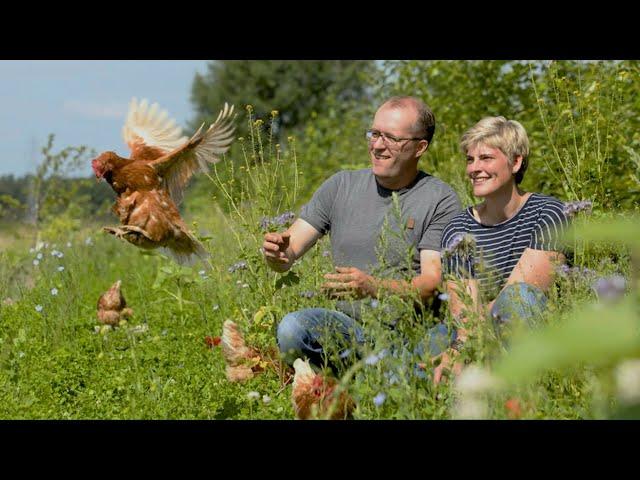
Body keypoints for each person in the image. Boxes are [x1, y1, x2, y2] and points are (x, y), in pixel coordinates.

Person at [262, 96, 462, 376]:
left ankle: (385, 377)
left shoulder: (439, 198)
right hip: (350, 331)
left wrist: (374, 287)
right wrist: (276, 254)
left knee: (439, 351)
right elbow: (288, 252)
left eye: (391, 138)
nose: (378, 145)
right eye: (375, 134)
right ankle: (379, 376)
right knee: (292, 329)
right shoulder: (341, 185)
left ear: (420, 147)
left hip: (414, 334)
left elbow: (431, 284)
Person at [436, 116, 569, 384]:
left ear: (516, 162)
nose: (474, 168)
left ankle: (520, 394)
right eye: (470, 160)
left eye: (485, 158)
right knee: (422, 346)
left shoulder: (549, 214)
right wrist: (460, 346)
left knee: (519, 298)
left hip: (535, 337)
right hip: (472, 335)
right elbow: (463, 315)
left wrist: (469, 334)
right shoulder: (457, 230)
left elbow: (518, 302)